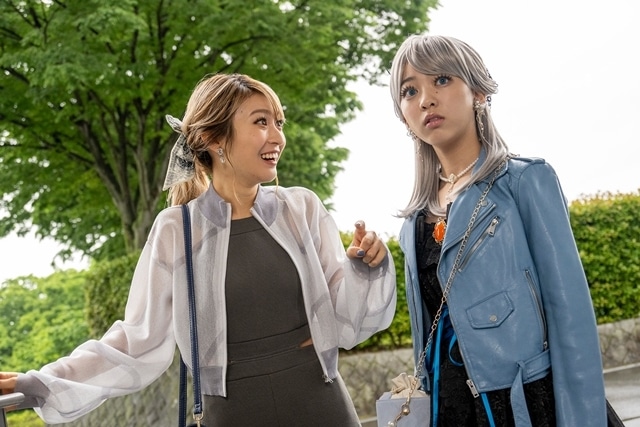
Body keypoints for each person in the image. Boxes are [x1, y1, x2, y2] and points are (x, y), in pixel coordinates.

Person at [0, 73, 397, 426]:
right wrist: (42, 382)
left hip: (321, 403)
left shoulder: (302, 208)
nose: (278, 137)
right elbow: (136, 340)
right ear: (213, 139)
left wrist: (366, 267)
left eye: (279, 122)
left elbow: (346, 319)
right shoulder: (177, 229)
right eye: (261, 122)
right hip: (232, 414)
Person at [390, 34, 606, 426]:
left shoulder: (525, 182)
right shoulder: (413, 223)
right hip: (449, 408)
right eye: (409, 91)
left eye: (441, 79)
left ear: (478, 92)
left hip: (526, 403)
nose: (425, 100)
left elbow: (571, 319)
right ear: (403, 116)